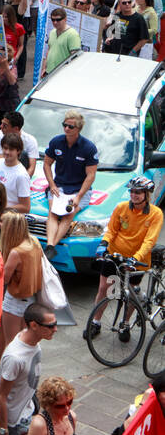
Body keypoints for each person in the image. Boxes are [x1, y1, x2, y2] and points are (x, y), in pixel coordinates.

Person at [87, 175, 162, 333]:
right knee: (105, 289)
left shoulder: (155, 214)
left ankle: (126, 324)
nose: (134, 195)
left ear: (146, 194)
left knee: (131, 295)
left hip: (137, 260)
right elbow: (111, 230)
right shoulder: (121, 207)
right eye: (132, 191)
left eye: (138, 192)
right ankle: (96, 322)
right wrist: (104, 244)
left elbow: (149, 241)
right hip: (115, 256)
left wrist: (136, 259)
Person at [0, 301, 57, 435]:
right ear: (34, 325)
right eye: (50, 326)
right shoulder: (15, 358)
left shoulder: (32, 341)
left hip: (28, 412)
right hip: (14, 421)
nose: (55, 329)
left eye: (55, 324)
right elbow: (1, 396)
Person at [0, 211, 44, 375]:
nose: (0, 225)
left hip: (15, 300)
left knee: (13, 343)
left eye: (3, 223)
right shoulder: (33, 242)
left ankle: (9, 377)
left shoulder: (16, 252)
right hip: (30, 298)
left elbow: (3, 278)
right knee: (3, 333)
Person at [41, 110, 98, 252]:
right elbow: (47, 164)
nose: (66, 128)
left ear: (78, 129)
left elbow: (91, 175)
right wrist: (52, 184)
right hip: (59, 186)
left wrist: (79, 197)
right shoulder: (56, 142)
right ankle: (50, 245)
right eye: (64, 125)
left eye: (70, 127)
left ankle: (52, 246)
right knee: (53, 212)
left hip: (79, 188)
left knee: (69, 214)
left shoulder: (88, 148)